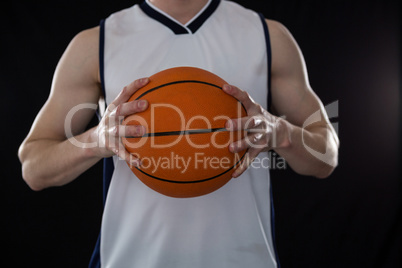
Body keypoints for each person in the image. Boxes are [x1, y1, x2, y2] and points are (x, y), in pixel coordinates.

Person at [18, 0, 339, 267]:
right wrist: (96, 140)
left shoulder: (268, 36)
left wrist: (279, 131)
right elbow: (34, 166)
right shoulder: (96, 43)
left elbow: (327, 154)